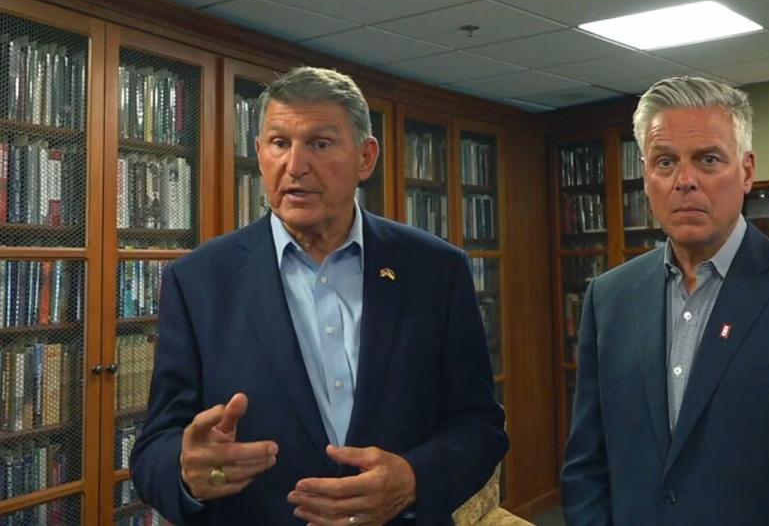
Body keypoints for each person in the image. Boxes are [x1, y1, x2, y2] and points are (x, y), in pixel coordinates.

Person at [130, 67, 507, 526]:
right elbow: (156, 448)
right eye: (278, 143)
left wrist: (412, 479)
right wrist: (188, 472)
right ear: (260, 153)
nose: (295, 165)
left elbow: (479, 425)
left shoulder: (436, 270)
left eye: (320, 144)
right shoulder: (199, 281)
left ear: (365, 158)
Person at [561, 76, 769, 525]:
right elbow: (586, 467)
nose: (685, 181)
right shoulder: (609, 298)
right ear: (646, 176)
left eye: (708, 159)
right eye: (665, 162)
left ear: (747, 171)